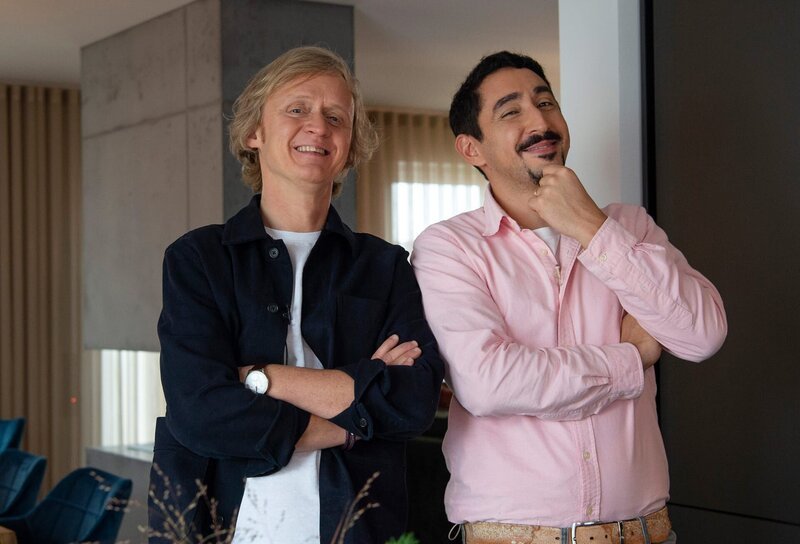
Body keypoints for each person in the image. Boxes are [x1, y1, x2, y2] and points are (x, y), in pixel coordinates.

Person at [411, 51, 727, 544]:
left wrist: (593, 228)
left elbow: (702, 335)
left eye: (546, 102)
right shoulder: (449, 247)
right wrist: (631, 357)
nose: (540, 122)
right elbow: (489, 382)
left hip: (646, 533)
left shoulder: (629, 226)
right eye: (511, 111)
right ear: (472, 149)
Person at [148, 46, 444, 544]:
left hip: (358, 530)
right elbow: (200, 413)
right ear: (254, 132)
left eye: (336, 117)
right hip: (218, 528)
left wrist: (260, 377)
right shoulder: (198, 258)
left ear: (350, 145)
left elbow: (413, 402)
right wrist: (354, 421)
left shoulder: (385, 265)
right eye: (297, 109)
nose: (318, 127)